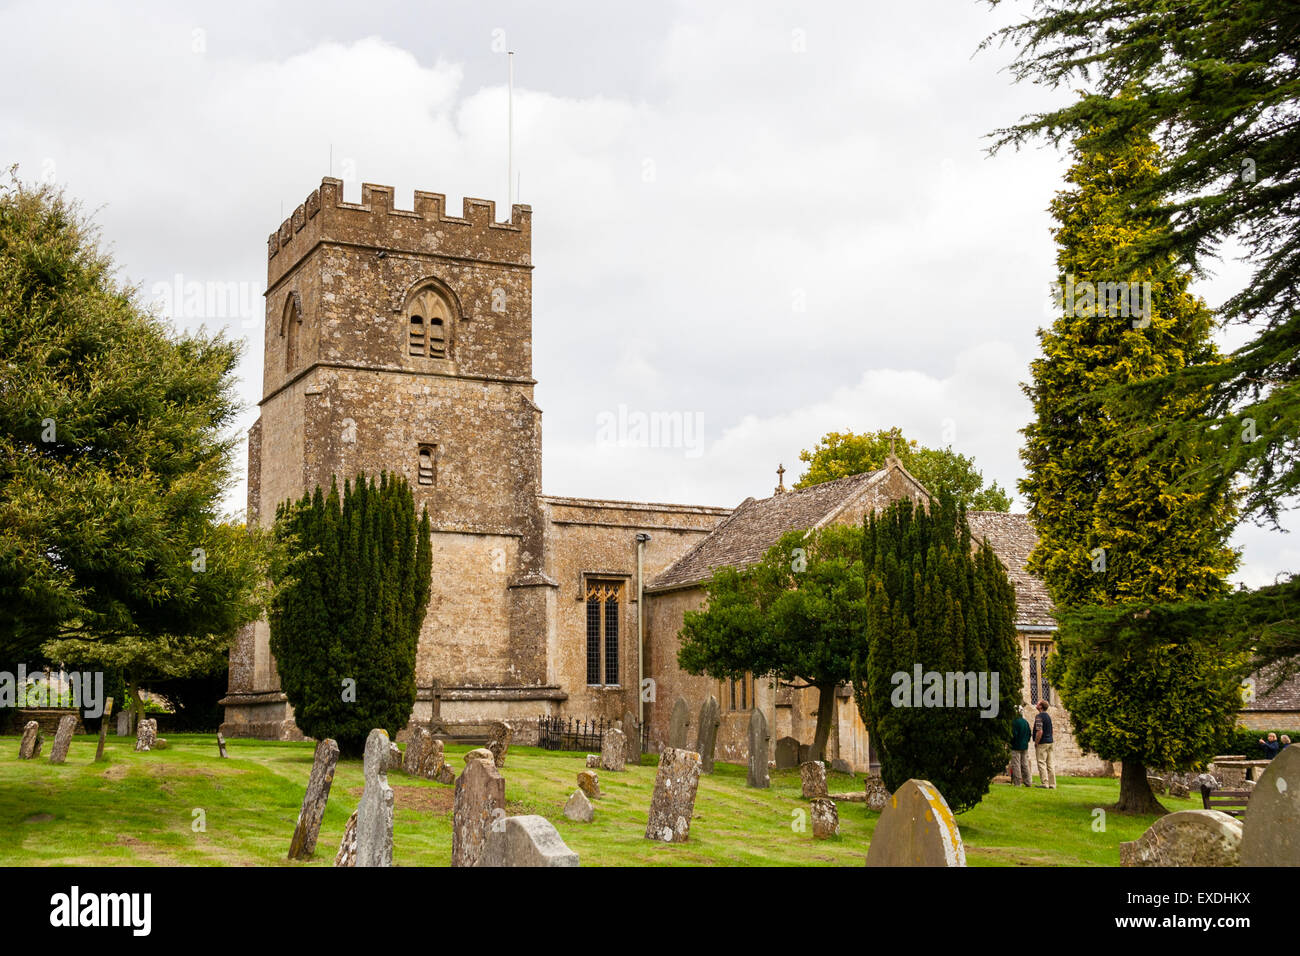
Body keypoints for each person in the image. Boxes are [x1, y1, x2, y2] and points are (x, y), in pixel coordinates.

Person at [1033, 699, 1056, 788]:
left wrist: (1036, 742)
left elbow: (1039, 731)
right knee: (1050, 764)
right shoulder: (1048, 717)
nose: (1036, 704)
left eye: (1038, 703)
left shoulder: (1039, 717)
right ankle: (1052, 784)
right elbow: (1052, 730)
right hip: (1050, 742)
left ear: (1041, 707)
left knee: (1041, 762)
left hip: (1042, 743)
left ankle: (1045, 783)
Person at [1010, 708, 1032, 787]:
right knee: (1025, 764)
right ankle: (1028, 782)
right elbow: (1029, 733)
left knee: (1016, 764)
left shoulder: (1014, 722)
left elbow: (1013, 735)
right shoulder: (1025, 722)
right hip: (1024, 746)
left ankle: (1017, 782)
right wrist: (1026, 741)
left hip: (1016, 746)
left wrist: (1011, 743)